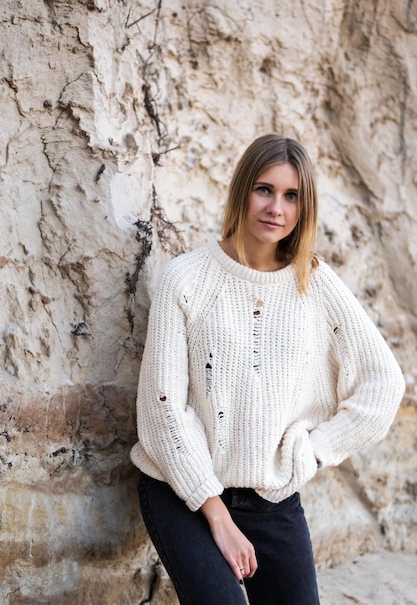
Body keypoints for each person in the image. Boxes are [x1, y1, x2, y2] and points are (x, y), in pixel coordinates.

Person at [130, 134, 405, 605]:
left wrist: (313, 452)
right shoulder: (186, 278)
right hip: (183, 492)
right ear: (242, 191)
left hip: (273, 500)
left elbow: (384, 385)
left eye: (291, 195)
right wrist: (218, 517)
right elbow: (163, 411)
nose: (276, 207)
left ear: (305, 205)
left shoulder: (314, 283)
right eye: (264, 189)